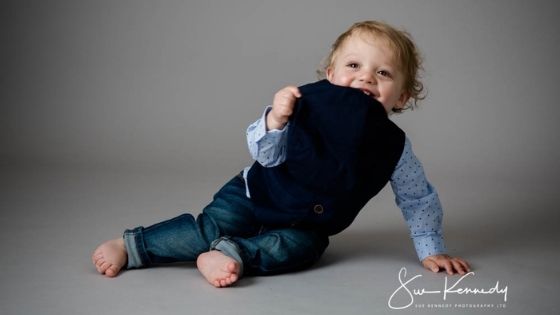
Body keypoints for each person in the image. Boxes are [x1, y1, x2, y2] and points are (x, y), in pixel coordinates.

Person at [92, 20, 470, 288]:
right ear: (331, 75)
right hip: (254, 194)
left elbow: (417, 197)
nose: (366, 77)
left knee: (302, 249)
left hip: (306, 225)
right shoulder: (303, 105)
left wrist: (430, 248)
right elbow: (265, 155)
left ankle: (230, 255)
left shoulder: (393, 146)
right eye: (354, 66)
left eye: (384, 73)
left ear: (402, 97)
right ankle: (131, 246)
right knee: (207, 227)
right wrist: (276, 119)